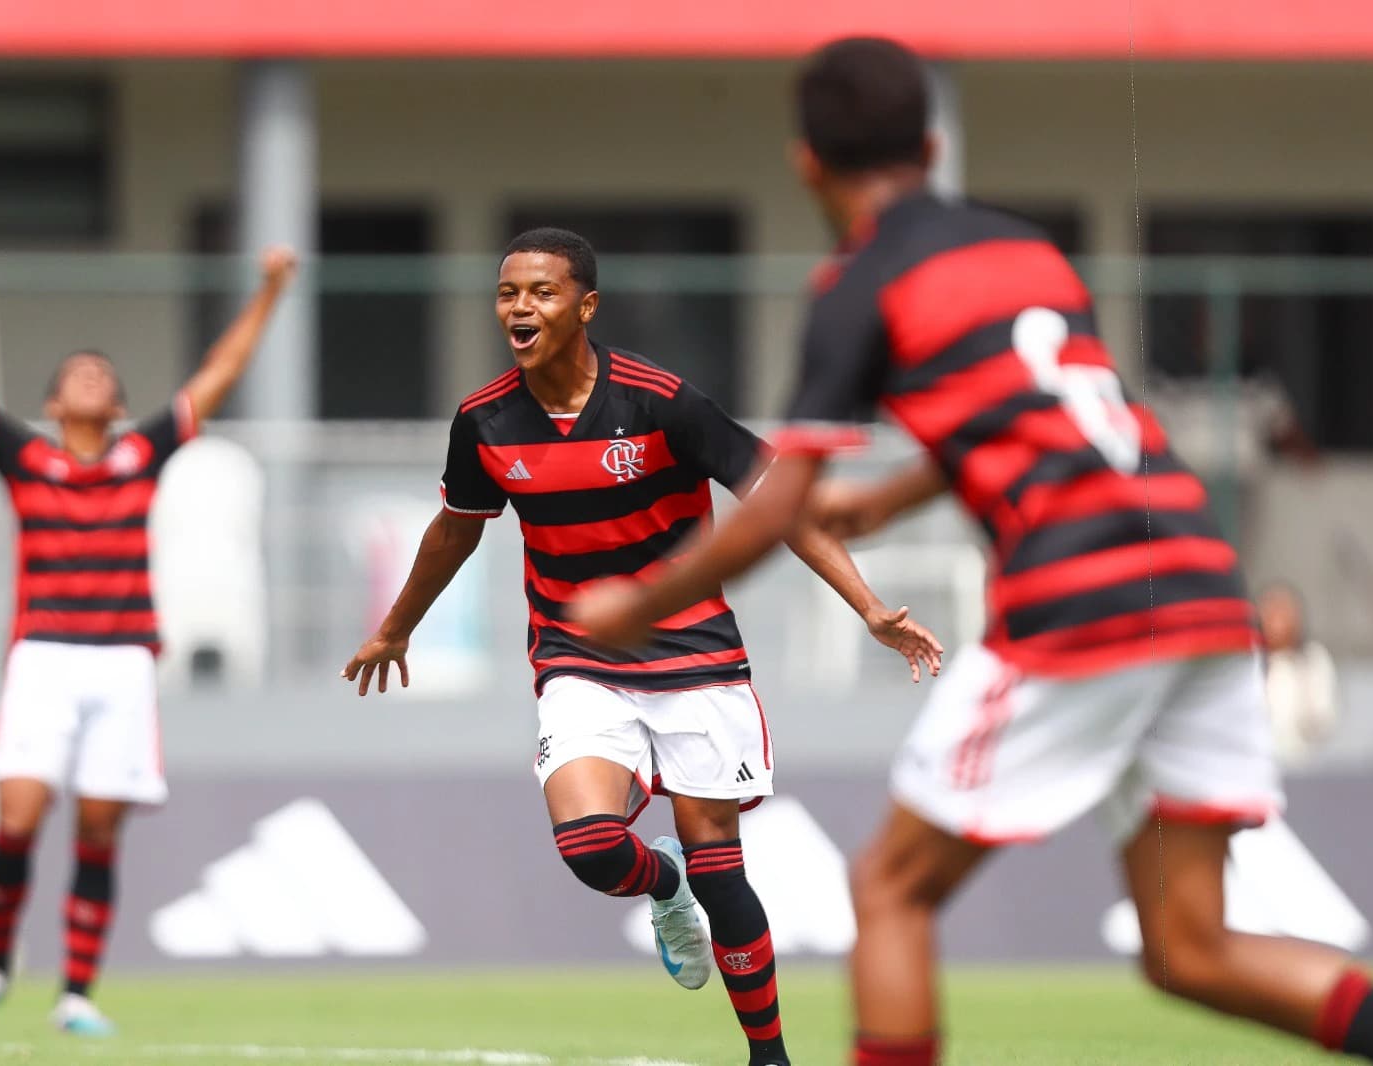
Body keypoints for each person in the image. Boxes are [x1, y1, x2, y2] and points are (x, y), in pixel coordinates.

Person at [567, 37, 1373, 1066]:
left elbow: (779, 502)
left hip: (1080, 601)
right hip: (1198, 584)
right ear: (931, 142)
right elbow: (1050, 411)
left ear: (805, 164)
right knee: (1190, 948)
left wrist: (639, 603)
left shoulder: (856, 285)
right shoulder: (1027, 252)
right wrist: (894, 495)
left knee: (889, 888)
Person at [340, 227, 940, 1066]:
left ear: (585, 305)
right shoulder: (483, 420)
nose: (521, 307)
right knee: (590, 848)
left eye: (543, 292)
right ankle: (661, 887)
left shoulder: (661, 402)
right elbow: (454, 531)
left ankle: (770, 1057)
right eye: (509, 292)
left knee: (723, 876)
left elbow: (783, 505)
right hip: (579, 658)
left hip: (696, 659)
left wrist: (869, 607)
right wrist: (395, 625)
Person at [0, 247, 297, 1037]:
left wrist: (270, 290)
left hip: (126, 661)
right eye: (78, 373)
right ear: (54, 404)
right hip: (45, 658)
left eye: (105, 373)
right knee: (20, 816)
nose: (92, 377)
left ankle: (76, 994)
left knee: (99, 827)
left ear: (120, 404)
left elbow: (220, 369)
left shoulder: (142, 458)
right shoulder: (26, 459)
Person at [1258, 581, 1340, 767]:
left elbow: (1323, 718)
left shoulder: (1313, 659)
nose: (1277, 619)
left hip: (1303, 766)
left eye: (1283, 611)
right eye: (1270, 611)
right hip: (1259, 767)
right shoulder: (1250, 662)